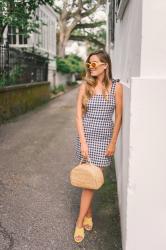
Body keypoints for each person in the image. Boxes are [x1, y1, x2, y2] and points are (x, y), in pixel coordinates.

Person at [74, 50, 123, 243]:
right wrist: (84, 143)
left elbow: (118, 117)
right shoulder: (85, 86)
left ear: (105, 65)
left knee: (91, 182)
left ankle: (84, 217)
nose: (90, 67)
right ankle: (82, 220)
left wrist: (113, 142)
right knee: (88, 181)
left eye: (94, 63)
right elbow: (78, 116)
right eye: (88, 64)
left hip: (104, 141)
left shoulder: (116, 87)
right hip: (85, 138)